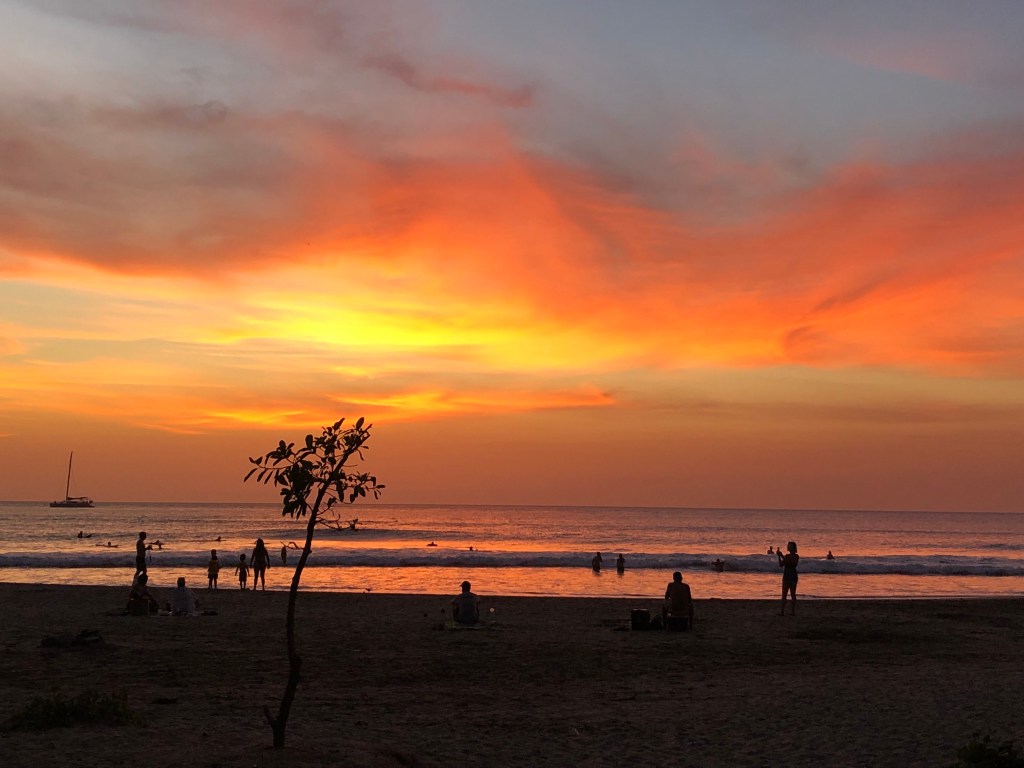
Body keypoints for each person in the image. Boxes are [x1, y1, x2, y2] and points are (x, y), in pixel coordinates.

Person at [778, 541, 800, 615]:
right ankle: (783, 611)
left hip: (791, 576)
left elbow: (792, 564)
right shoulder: (788, 556)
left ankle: (791, 611)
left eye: (789, 546)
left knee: (791, 594)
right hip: (788, 576)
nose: (788, 547)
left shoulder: (795, 556)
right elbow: (781, 564)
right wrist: (779, 556)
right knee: (785, 594)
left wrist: (781, 556)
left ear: (793, 547)